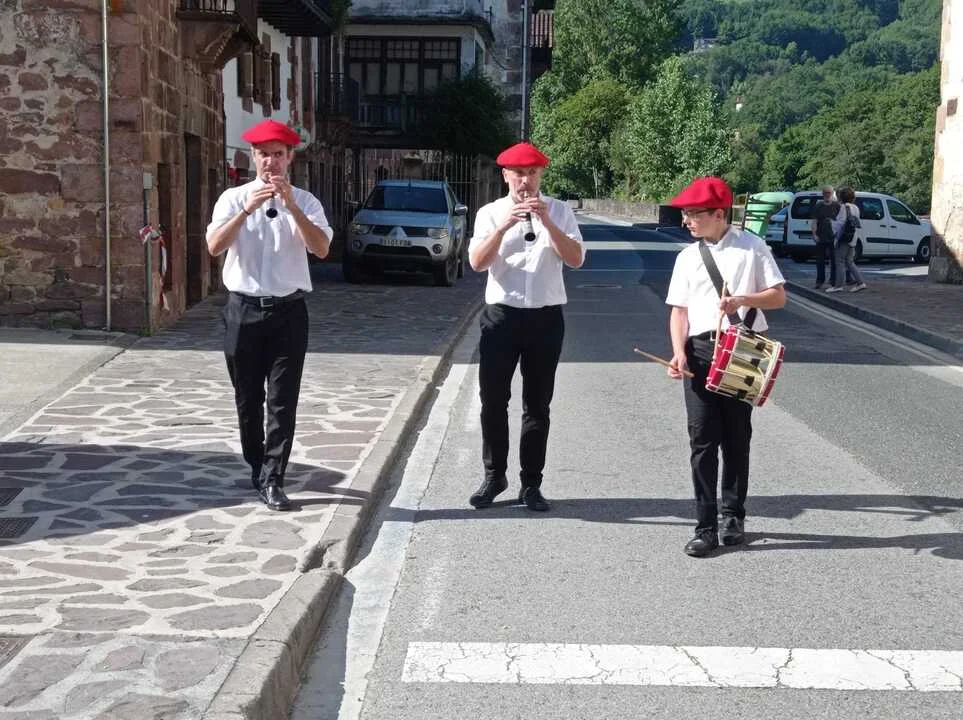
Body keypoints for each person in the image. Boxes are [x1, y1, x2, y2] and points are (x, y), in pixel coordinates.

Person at [206, 119, 333, 511]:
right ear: (253, 157)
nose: (271, 163)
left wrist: (291, 206)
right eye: (264, 155)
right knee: (247, 398)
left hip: (288, 313)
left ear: (290, 158)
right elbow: (214, 246)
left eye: (278, 155)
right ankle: (257, 465)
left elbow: (321, 249)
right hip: (242, 310)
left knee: (282, 400)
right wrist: (247, 209)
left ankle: (273, 477)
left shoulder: (307, 202)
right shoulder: (233, 199)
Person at [665, 177, 787, 557]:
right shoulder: (687, 257)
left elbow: (778, 297)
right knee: (702, 440)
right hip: (700, 351)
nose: (686, 220)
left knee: (736, 438)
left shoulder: (753, 247)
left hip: (742, 349)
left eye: (693, 213)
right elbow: (679, 312)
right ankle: (705, 527)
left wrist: (743, 300)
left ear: (719, 214)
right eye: (685, 213)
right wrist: (678, 353)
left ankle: (733, 516)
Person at [467, 142, 585, 512]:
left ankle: (531, 483)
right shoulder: (490, 213)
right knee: (493, 401)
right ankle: (494, 476)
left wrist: (547, 222)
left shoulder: (560, 211)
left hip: (545, 318)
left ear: (541, 175)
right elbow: (477, 263)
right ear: (505, 175)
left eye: (532, 173)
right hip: (501, 316)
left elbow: (576, 259)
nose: (526, 181)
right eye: (519, 173)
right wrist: (505, 226)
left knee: (537, 404)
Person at [827, 186, 867, 293]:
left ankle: (838, 285)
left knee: (839, 261)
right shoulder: (855, 208)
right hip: (852, 237)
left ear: (841, 197)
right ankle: (860, 282)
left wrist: (831, 223)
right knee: (849, 261)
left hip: (843, 238)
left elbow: (840, 223)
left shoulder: (843, 208)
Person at [810, 186, 845, 289]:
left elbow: (841, 222)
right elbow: (814, 221)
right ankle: (819, 281)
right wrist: (814, 234)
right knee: (820, 260)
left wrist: (839, 235)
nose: (827, 194)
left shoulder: (837, 206)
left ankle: (833, 281)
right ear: (822, 194)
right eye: (825, 192)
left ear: (832, 193)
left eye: (829, 192)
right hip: (821, 237)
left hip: (833, 237)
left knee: (834, 260)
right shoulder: (818, 206)